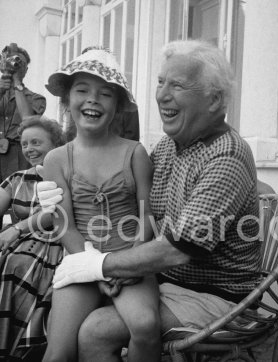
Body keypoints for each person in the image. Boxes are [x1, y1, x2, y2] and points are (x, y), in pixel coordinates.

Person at [37, 40, 262, 362]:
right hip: (168, 280)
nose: (162, 95)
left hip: (217, 296)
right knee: (76, 324)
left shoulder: (226, 154)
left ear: (213, 100)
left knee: (95, 331)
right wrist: (48, 191)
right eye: (161, 82)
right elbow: (127, 196)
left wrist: (97, 265)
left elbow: (177, 249)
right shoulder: (170, 146)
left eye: (178, 85)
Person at [41, 46, 160, 362]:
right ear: (67, 101)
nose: (93, 99)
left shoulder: (134, 154)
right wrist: (95, 266)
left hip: (130, 259)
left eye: (105, 94)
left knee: (146, 326)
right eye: (82, 90)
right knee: (57, 354)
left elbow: (147, 215)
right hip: (81, 259)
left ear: (118, 106)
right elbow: (64, 223)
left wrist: (132, 262)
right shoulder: (56, 159)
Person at [0, 116, 65, 360]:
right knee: (14, 261)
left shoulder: (66, 176)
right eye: (25, 144)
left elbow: (54, 215)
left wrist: (16, 229)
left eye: (36, 142)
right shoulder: (17, 179)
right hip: (17, 248)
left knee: (16, 265)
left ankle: (18, 349)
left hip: (55, 247)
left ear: (56, 144)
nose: (29, 149)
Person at [0, 43, 46, 182]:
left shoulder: (36, 98)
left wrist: (17, 82)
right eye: (13, 60)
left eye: (20, 63)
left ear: (25, 69)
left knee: (15, 193)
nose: (15, 65)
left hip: (18, 154)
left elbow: (28, 120)